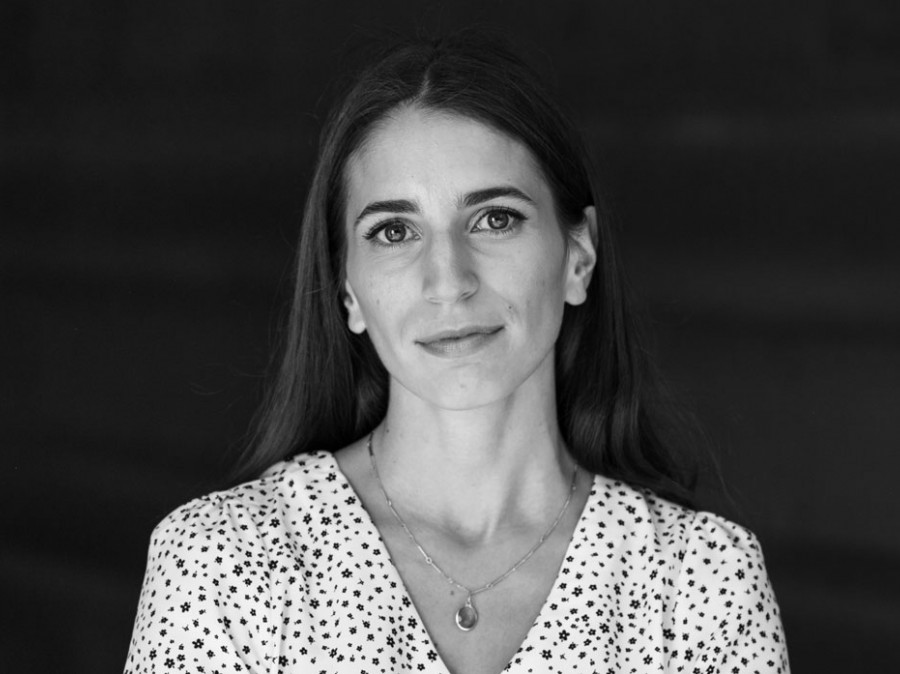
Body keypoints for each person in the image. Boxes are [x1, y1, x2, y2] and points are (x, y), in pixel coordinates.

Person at [125, 32, 789, 674]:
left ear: (577, 257)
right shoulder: (223, 563)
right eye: (394, 231)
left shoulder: (702, 583)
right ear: (347, 289)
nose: (449, 279)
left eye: (495, 218)